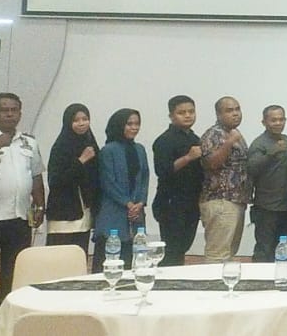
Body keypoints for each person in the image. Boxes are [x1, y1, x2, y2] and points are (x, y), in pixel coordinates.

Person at [0, 93, 44, 328]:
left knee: (13, 271)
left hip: (18, 217)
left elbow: (36, 176)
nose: (9, 114)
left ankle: (2, 315)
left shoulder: (28, 142)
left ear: (20, 114)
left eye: (14, 110)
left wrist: (40, 205)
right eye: (4, 110)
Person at [150, 96, 202, 266]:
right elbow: (162, 171)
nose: (187, 115)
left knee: (183, 246)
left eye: (191, 111)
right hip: (171, 203)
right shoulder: (164, 140)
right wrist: (188, 157)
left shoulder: (195, 139)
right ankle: (166, 279)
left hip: (192, 202)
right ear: (171, 116)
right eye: (182, 112)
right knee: (172, 250)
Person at [94, 108, 148, 266]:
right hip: (113, 210)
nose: (134, 127)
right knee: (110, 257)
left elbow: (145, 177)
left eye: (137, 124)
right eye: (129, 124)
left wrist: (140, 203)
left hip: (136, 212)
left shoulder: (140, 149)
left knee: (134, 258)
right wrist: (128, 203)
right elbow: (108, 182)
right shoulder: (108, 150)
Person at [199, 96, 249, 262]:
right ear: (218, 114)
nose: (235, 114)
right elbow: (212, 163)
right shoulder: (213, 134)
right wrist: (229, 142)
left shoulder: (234, 133)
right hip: (220, 200)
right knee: (217, 256)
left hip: (236, 200)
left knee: (229, 253)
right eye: (229, 110)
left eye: (237, 109)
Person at [45, 104, 98, 259]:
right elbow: (56, 181)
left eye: (85, 119)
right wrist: (81, 160)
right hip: (64, 214)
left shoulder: (91, 144)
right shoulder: (60, 147)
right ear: (68, 122)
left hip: (84, 214)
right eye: (76, 120)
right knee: (59, 259)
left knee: (79, 258)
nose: (81, 123)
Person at [246, 105, 287, 263]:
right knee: (264, 249)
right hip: (266, 207)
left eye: (281, 119)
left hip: (285, 206)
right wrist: (271, 153)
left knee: (282, 248)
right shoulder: (259, 143)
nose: (278, 123)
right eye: (273, 120)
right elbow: (251, 169)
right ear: (264, 122)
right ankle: (259, 278)